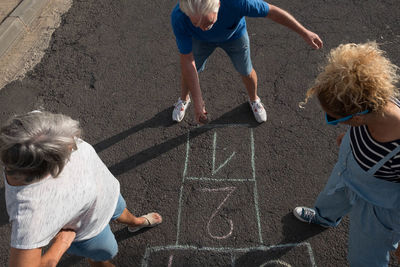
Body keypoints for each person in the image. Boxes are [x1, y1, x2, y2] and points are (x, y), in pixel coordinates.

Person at [0, 111, 162, 267]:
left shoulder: (32, 129)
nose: (76, 143)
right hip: (89, 230)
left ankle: (135, 222)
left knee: (121, 209)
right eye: (70, 149)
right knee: (105, 253)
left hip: (106, 193)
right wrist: (61, 244)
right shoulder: (30, 215)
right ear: (49, 169)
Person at [293, 42, 400, 266]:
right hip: (347, 169)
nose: (332, 123)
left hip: (376, 204)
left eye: (334, 119)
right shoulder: (373, 100)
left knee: (364, 257)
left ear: (358, 117)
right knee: (329, 199)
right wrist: (352, 136)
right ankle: (324, 218)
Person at [171, 0, 323, 124]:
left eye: (208, 23)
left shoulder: (237, 3)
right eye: (196, 24)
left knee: (246, 70)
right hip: (200, 42)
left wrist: (304, 32)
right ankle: (184, 99)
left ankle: (254, 99)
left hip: (234, 36)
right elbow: (187, 60)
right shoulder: (179, 16)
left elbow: (272, 12)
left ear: (218, 5)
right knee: (190, 72)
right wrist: (198, 103)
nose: (204, 28)